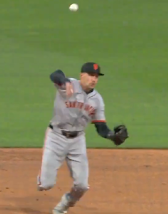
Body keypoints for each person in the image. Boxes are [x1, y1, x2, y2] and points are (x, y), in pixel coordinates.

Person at [37, 62, 129, 214]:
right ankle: (43, 177)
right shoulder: (69, 85)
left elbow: (101, 127)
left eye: (96, 76)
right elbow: (55, 74)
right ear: (82, 75)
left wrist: (112, 136)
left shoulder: (97, 100)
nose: (94, 79)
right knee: (45, 185)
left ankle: (62, 207)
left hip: (77, 141)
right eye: (91, 75)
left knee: (82, 185)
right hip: (56, 137)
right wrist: (64, 81)